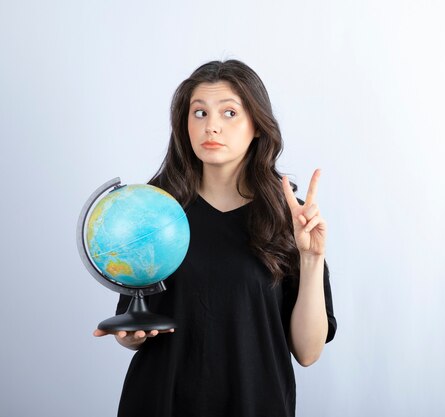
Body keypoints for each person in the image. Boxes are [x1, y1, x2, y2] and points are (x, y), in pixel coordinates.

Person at [93, 59, 337, 417]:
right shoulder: (153, 211)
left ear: (257, 126)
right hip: (161, 403)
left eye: (229, 113)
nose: (212, 127)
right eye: (199, 113)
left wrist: (312, 258)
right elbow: (135, 324)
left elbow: (307, 353)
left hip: (256, 404)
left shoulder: (290, 219)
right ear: (184, 124)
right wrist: (130, 336)